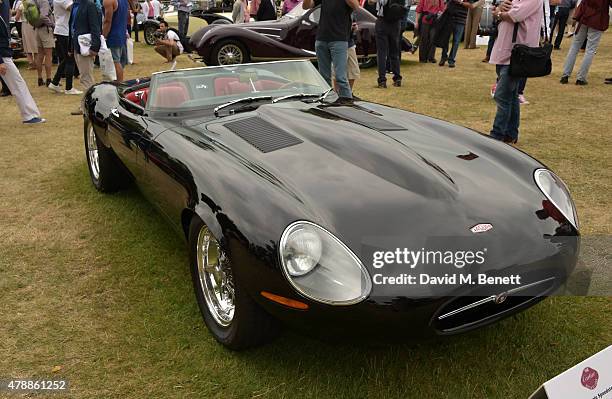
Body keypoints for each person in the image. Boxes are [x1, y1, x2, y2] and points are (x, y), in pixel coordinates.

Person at [489, 0, 542, 144]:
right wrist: (499, 11)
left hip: (518, 54)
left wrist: (500, 13)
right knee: (511, 95)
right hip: (505, 51)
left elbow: (515, 15)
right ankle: (510, 133)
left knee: (502, 95)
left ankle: (497, 135)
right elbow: (500, 9)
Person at [303, 0, 358, 103]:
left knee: (340, 77)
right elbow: (305, 6)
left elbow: (356, 6)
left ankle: (348, 104)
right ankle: (327, 103)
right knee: (324, 78)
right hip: (321, 39)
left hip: (339, 40)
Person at [0, 14, 45, 123]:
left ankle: (29, 114)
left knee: (18, 84)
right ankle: (29, 115)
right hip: (3, 57)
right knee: (18, 84)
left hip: (4, 55)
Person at [559, 0, 610, 85]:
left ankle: (565, 75)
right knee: (590, 50)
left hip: (583, 17)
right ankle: (581, 78)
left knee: (574, 47)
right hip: (597, 19)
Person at [70, 0, 102, 114]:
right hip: (77, 46)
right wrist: (71, 46)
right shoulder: (75, 5)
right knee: (85, 76)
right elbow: (72, 27)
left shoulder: (89, 5)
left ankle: (89, 107)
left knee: (86, 77)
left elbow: (95, 27)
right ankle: (87, 105)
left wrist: (95, 47)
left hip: (86, 47)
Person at [48, 0, 82, 94]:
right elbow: (74, 9)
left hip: (63, 30)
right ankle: (69, 88)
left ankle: (55, 82)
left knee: (66, 59)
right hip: (64, 31)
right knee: (70, 59)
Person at [370, 0, 405, 88]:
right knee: (394, 52)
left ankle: (382, 80)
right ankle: (397, 78)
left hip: (383, 21)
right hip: (396, 22)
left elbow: (374, 1)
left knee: (382, 53)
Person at [437, 0, 474, 68]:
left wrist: (461, 2)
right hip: (449, 17)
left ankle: (451, 60)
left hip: (461, 20)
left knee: (456, 41)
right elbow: (446, 2)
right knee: (446, 38)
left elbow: (471, 5)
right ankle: (443, 57)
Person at [103, 0, 128, 82]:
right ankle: (119, 83)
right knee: (119, 62)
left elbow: (107, 21)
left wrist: (103, 36)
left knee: (115, 62)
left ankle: (119, 84)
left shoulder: (109, 1)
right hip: (121, 34)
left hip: (113, 35)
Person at [32, 0, 55, 86]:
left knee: (40, 55)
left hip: (37, 29)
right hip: (45, 29)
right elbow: (43, 16)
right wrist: (52, 25)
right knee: (48, 55)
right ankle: (49, 79)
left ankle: (40, 78)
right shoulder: (44, 1)